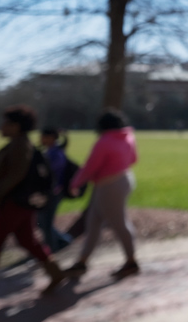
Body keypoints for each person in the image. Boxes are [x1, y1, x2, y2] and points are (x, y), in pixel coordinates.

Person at [0, 106, 65, 303]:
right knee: (27, 240)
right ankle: (55, 272)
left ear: (16, 126)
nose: (2, 126)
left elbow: (15, 175)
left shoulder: (19, 146)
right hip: (23, 204)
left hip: (13, 203)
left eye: (7, 123)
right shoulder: (21, 144)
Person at [64, 109, 139, 279]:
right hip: (122, 179)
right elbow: (134, 159)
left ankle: (131, 261)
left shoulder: (104, 141)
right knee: (94, 222)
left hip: (109, 185)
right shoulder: (128, 137)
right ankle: (82, 262)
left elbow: (91, 166)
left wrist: (75, 183)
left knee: (119, 224)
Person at [36, 127, 73, 253]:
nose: (40, 139)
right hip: (51, 192)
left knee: (45, 223)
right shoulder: (52, 151)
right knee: (41, 221)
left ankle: (51, 251)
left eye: (43, 136)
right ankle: (63, 240)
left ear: (51, 137)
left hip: (54, 192)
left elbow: (50, 174)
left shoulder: (55, 154)